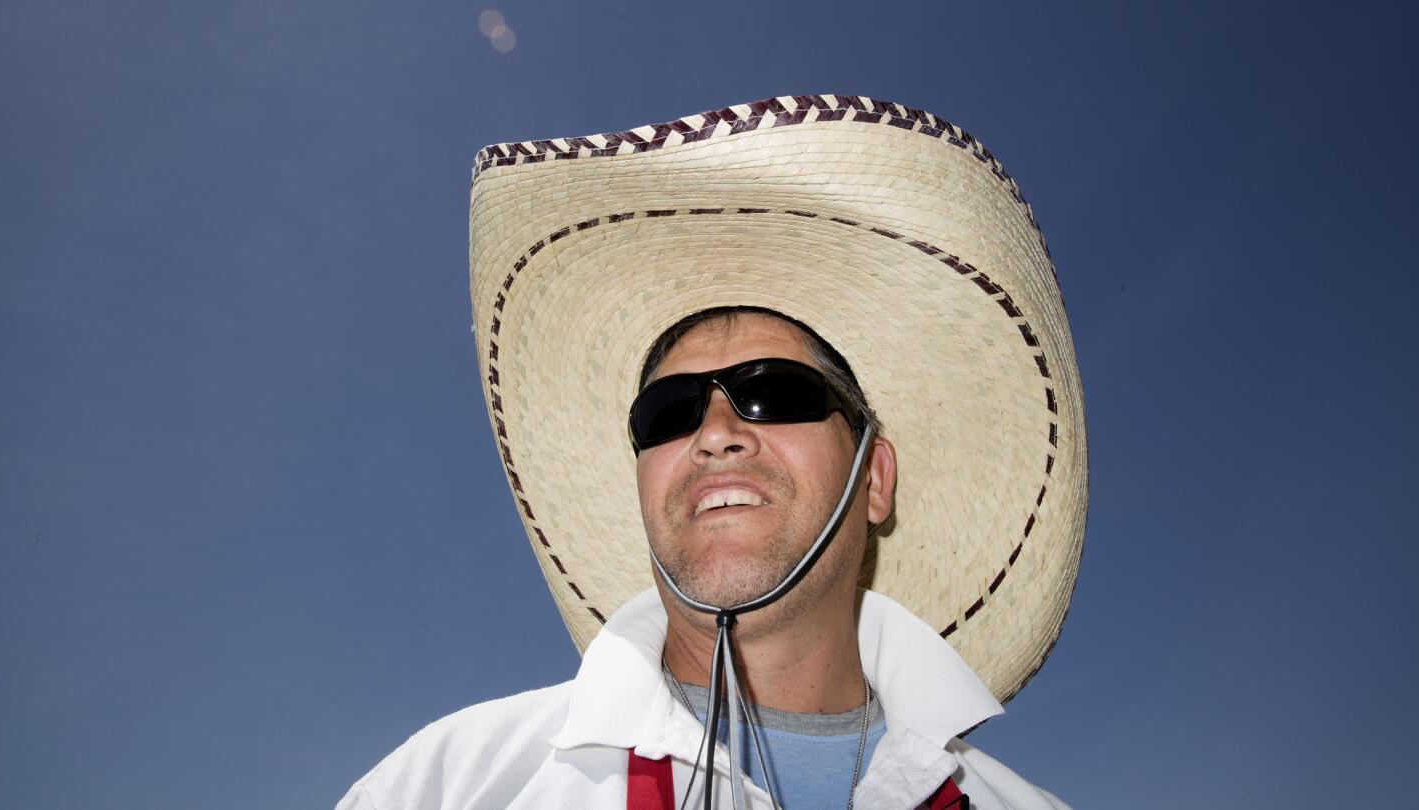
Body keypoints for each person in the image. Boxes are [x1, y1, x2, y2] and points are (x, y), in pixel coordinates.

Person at [337, 94, 1087, 809]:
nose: (715, 432)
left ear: (875, 479)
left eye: (777, 392)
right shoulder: (447, 786)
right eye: (670, 412)